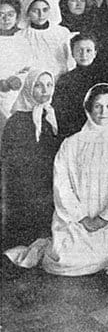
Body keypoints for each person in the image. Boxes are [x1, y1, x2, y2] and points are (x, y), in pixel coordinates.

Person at [5, 84, 108, 275]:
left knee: (96, 258)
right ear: (89, 108)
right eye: (98, 106)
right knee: (62, 261)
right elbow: (61, 184)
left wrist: (103, 218)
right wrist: (81, 217)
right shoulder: (71, 143)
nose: (103, 112)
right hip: (74, 218)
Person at [0, 69, 61, 249]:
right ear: (29, 88)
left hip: (48, 183)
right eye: (38, 86)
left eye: (49, 85)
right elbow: (11, 162)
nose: (45, 90)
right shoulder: (17, 121)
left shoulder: (52, 115)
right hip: (23, 188)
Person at [53, 33, 108, 139]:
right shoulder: (65, 80)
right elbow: (61, 112)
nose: (84, 55)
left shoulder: (104, 78)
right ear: (72, 53)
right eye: (79, 50)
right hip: (75, 132)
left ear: (95, 53)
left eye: (88, 50)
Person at [0, 0, 32, 132]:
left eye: (10, 14)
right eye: (1, 15)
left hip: (16, 94)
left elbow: (28, 67)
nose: (6, 19)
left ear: (17, 17)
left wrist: (18, 79)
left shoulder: (22, 41)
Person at [19, 0, 74, 77]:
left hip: (61, 78)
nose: (41, 15)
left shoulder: (62, 32)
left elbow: (70, 60)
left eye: (45, 10)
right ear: (27, 12)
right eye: (35, 11)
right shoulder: (21, 35)